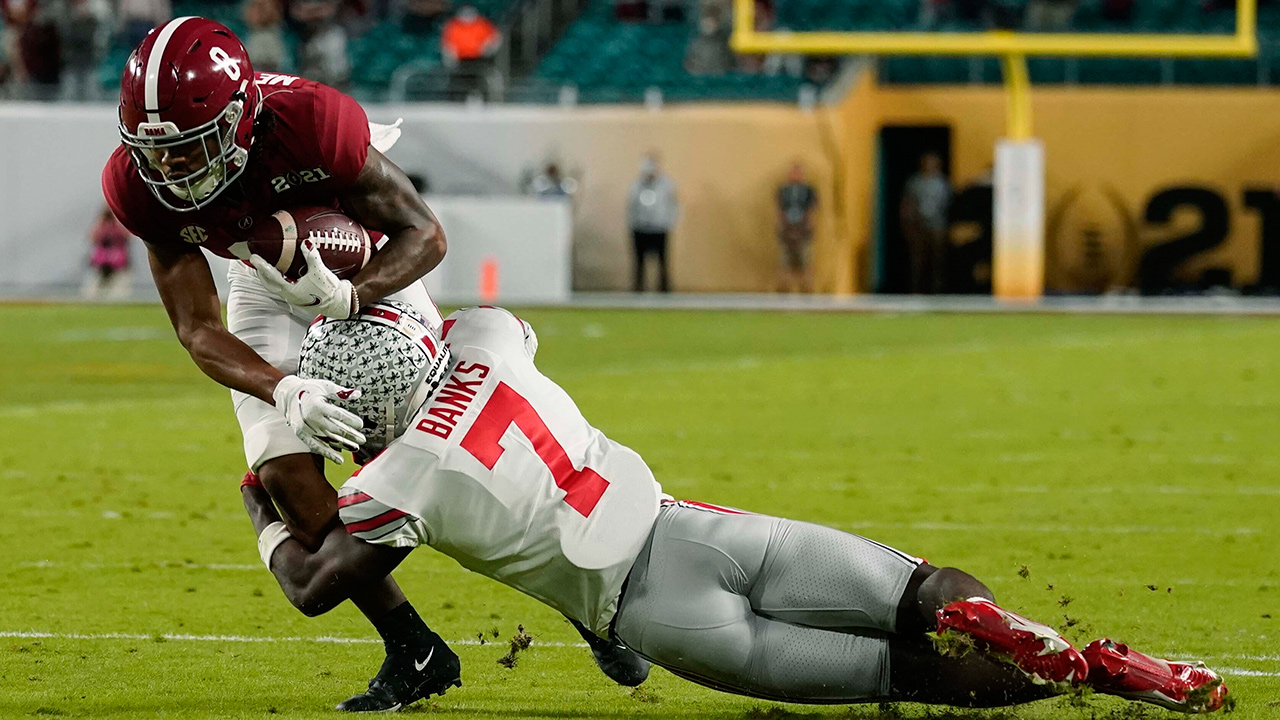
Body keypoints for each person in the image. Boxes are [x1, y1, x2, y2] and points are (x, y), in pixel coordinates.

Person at [242, 302, 1231, 714]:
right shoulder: (488, 338)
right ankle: (1084, 650)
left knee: (915, 675)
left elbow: (313, 587)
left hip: (657, 615)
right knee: (918, 590)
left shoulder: (391, 484)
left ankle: (1081, 683)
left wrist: (265, 509)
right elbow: (429, 319)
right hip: (696, 530)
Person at [100, 20, 640, 709]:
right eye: (158, 152)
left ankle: (580, 599)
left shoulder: (313, 124)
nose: (173, 170)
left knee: (446, 459)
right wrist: (284, 386)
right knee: (287, 478)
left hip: (361, 259)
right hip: (259, 280)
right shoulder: (136, 185)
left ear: (241, 119)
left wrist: (355, 291)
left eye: (190, 148)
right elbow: (197, 328)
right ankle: (413, 650)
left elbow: (426, 232)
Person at [900, 152, 951, 294]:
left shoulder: (942, 183)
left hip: (938, 226)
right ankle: (916, 291)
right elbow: (907, 204)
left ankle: (937, 291)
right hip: (918, 225)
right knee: (917, 261)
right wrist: (907, 224)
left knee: (937, 261)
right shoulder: (915, 182)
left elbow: (948, 205)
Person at [627, 152, 678, 292]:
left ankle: (664, 288)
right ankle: (638, 288)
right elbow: (631, 206)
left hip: (659, 227)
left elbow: (673, 204)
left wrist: (670, 222)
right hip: (640, 227)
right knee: (639, 262)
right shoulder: (636, 185)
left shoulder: (667, 185)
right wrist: (633, 223)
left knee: (662, 262)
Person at [776, 161, 817, 293]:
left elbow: (812, 211)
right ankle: (784, 288)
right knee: (784, 261)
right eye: (793, 172)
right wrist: (781, 226)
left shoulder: (808, 190)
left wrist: (810, 227)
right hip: (787, 229)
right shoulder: (783, 190)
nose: (795, 175)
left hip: (803, 229)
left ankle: (807, 288)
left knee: (805, 260)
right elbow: (779, 210)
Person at [83, 205, 131, 299]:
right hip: (100, 264)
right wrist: (101, 220)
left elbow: (127, 236)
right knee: (92, 294)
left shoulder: (119, 226)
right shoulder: (101, 225)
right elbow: (92, 237)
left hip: (118, 264)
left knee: (119, 295)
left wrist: (118, 219)